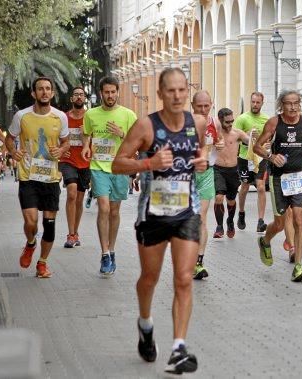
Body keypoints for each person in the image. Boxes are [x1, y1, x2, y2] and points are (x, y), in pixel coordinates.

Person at [112, 67, 205, 374]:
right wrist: (149, 162)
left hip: (186, 213)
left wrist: (203, 162)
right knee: (149, 279)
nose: (177, 96)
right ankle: (145, 323)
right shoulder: (145, 126)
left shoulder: (198, 123)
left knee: (183, 278)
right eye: (171, 91)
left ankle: (179, 347)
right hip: (152, 214)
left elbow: (200, 156)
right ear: (161, 93)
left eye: (182, 90)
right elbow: (117, 164)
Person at [4, 77, 70, 278]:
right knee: (31, 222)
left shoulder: (60, 117)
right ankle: (30, 243)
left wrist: (61, 150)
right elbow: (10, 138)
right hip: (28, 177)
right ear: (34, 93)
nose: (44, 92)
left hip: (50, 178)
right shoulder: (22, 116)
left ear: (52, 93)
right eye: (40, 89)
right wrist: (12, 152)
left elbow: (66, 142)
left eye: (48, 89)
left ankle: (42, 263)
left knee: (49, 227)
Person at [254, 89, 302, 282]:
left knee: (299, 218)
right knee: (281, 223)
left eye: (296, 103)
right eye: (288, 103)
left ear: (300, 104)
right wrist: (271, 156)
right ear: (281, 105)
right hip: (279, 179)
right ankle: (265, 241)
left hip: (299, 177)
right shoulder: (274, 122)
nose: (292, 107)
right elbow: (257, 146)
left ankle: (298, 265)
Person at [82, 76, 137, 276]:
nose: (110, 95)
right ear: (101, 93)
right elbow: (86, 134)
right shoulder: (91, 114)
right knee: (103, 208)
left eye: (113, 92)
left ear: (117, 92)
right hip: (98, 167)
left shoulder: (128, 115)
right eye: (106, 92)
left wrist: (122, 134)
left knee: (114, 211)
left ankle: (112, 249)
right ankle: (104, 253)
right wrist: (86, 147)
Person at [191, 90, 221, 280]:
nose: (203, 109)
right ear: (192, 106)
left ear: (211, 104)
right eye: (199, 106)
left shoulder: (215, 123)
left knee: (201, 218)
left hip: (207, 173)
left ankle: (198, 262)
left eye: (206, 106)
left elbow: (220, 141)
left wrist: (221, 145)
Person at [59, 87, 91, 248]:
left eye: (81, 95)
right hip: (68, 161)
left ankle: (75, 232)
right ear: (72, 99)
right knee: (71, 192)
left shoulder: (91, 117)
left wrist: (87, 135)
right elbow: (56, 136)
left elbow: (98, 138)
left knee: (79, 199)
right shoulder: (64, 118)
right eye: (76, 95)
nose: (79, 97)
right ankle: (70, 234)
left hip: (86, 162)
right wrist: (60, 151)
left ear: (85, 98)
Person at [234, 92, 270, 232]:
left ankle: (260, 221)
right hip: (245, 157)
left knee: (261, 186)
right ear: (250, 102)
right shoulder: (242, 118)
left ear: (262, 103)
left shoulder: (266, 119)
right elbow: (234, 138)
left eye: (258, 102)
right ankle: (241, 213)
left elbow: (269, 138)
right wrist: (247, 136)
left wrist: (268, 145)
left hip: (260, 158)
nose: (255, 105)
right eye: (253, 102)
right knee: (245, 187)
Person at [211, 108, 249, 240]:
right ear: (221, 120)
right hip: (218, 170)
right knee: (219, 197)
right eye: (227, 122)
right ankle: (219, 226)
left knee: (231, 200)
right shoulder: (215, 134)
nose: (230, 124)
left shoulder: (237, 133)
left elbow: (250, 142)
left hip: (233, 171)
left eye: (232, 121)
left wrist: (254, 138)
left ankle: (230, 222)